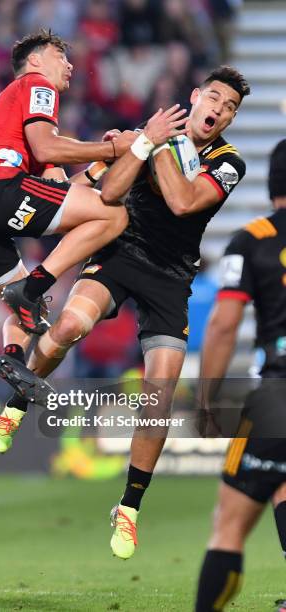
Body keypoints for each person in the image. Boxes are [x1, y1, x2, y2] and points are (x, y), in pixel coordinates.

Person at [0, 65, 250, 561]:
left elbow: (181, 200)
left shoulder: (230, 161)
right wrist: (141, 145)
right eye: (214, 98)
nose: (219, 109)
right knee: (68, 324)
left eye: (231, 107)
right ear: (195, 97)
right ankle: (17, 405)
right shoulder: (150, 135)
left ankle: (128, 509)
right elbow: (109, 194)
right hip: (120, 254)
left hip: (171, 277)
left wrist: (155, 145)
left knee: (159, 396)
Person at [0, 29, 140, 392]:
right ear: (35, 60)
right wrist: (112, 151)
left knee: (27, 311)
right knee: (114, 216)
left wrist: (101, 166)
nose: (69, 64)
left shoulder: (14, 115)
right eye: (60, 56)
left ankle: (13, 357)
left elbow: (61, 192)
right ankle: (36, 284)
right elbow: (48, 148)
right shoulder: (36, 85)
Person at [195, 139, 286, 612]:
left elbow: (225, 323)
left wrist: (207, 399)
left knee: (228, 528)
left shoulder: (252, 239)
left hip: (278, 396)